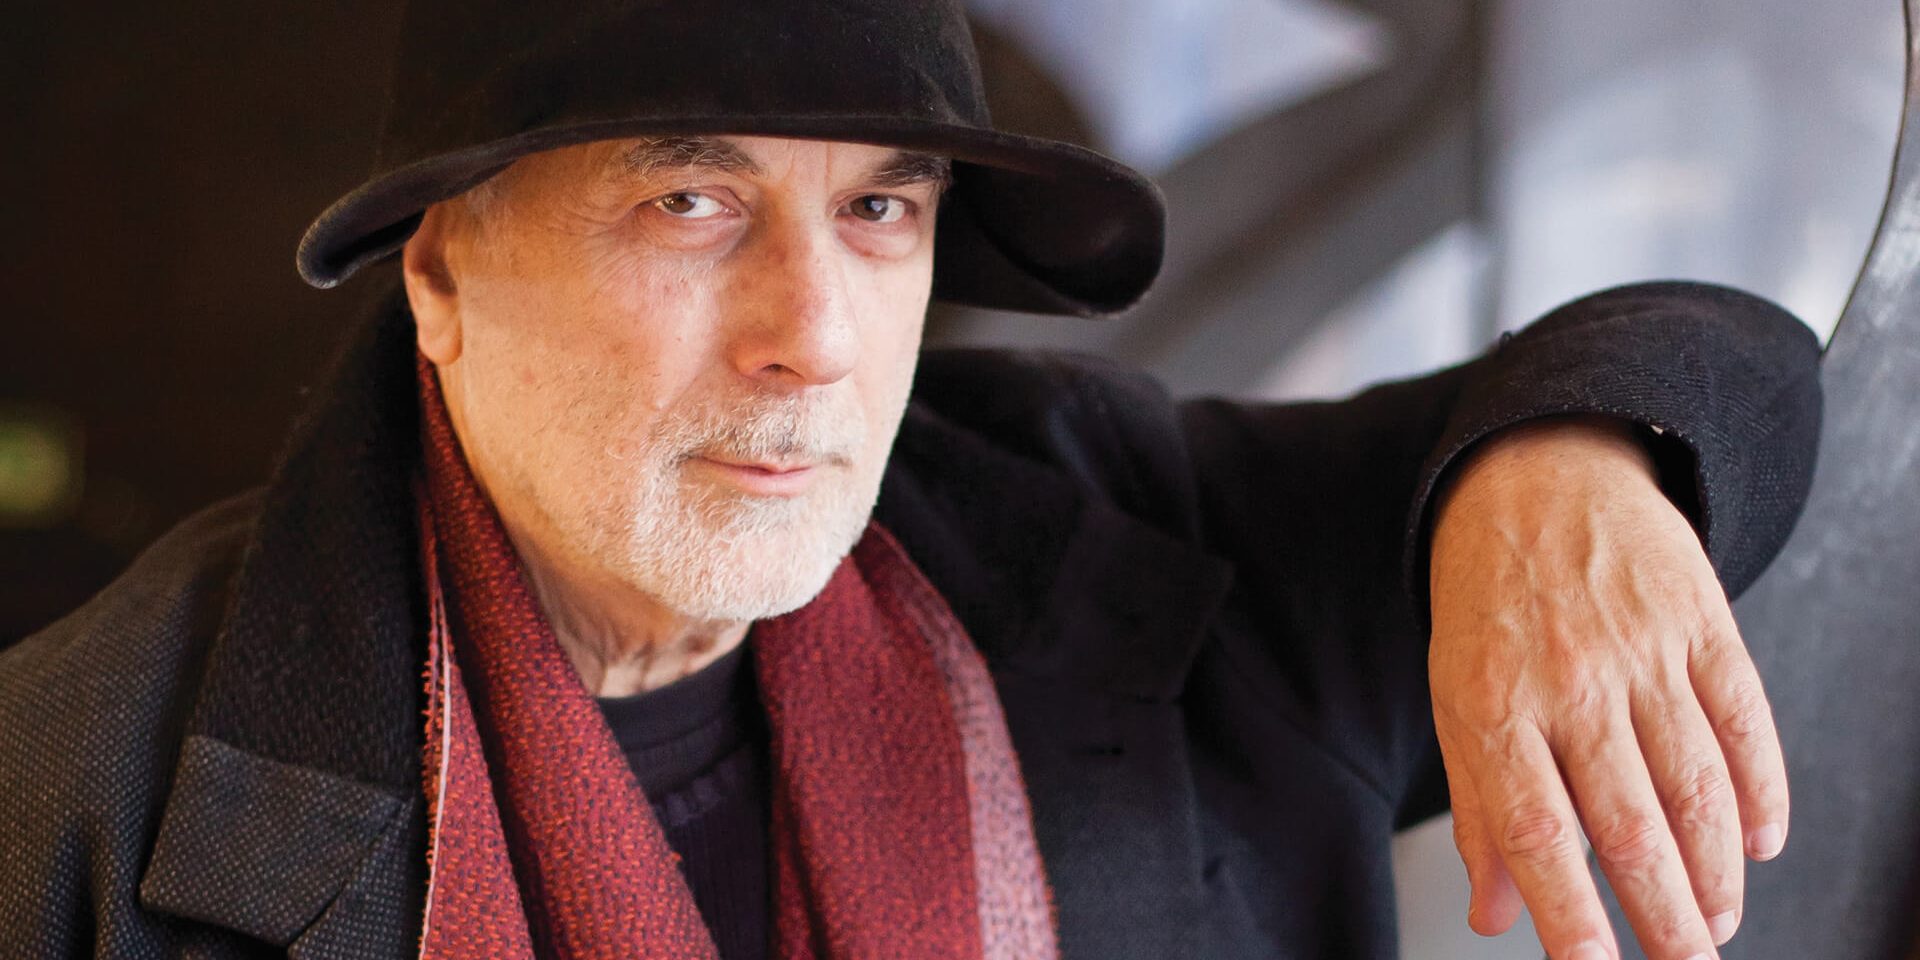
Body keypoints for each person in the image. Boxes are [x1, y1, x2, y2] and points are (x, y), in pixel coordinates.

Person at [0, 1, 1822, 959]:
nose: (816, 336)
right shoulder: (74, 797)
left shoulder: (1121, 541)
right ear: (443, 275)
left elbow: (1721, 345)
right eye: (690, 200)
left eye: (880, 207)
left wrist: (1564, 466)